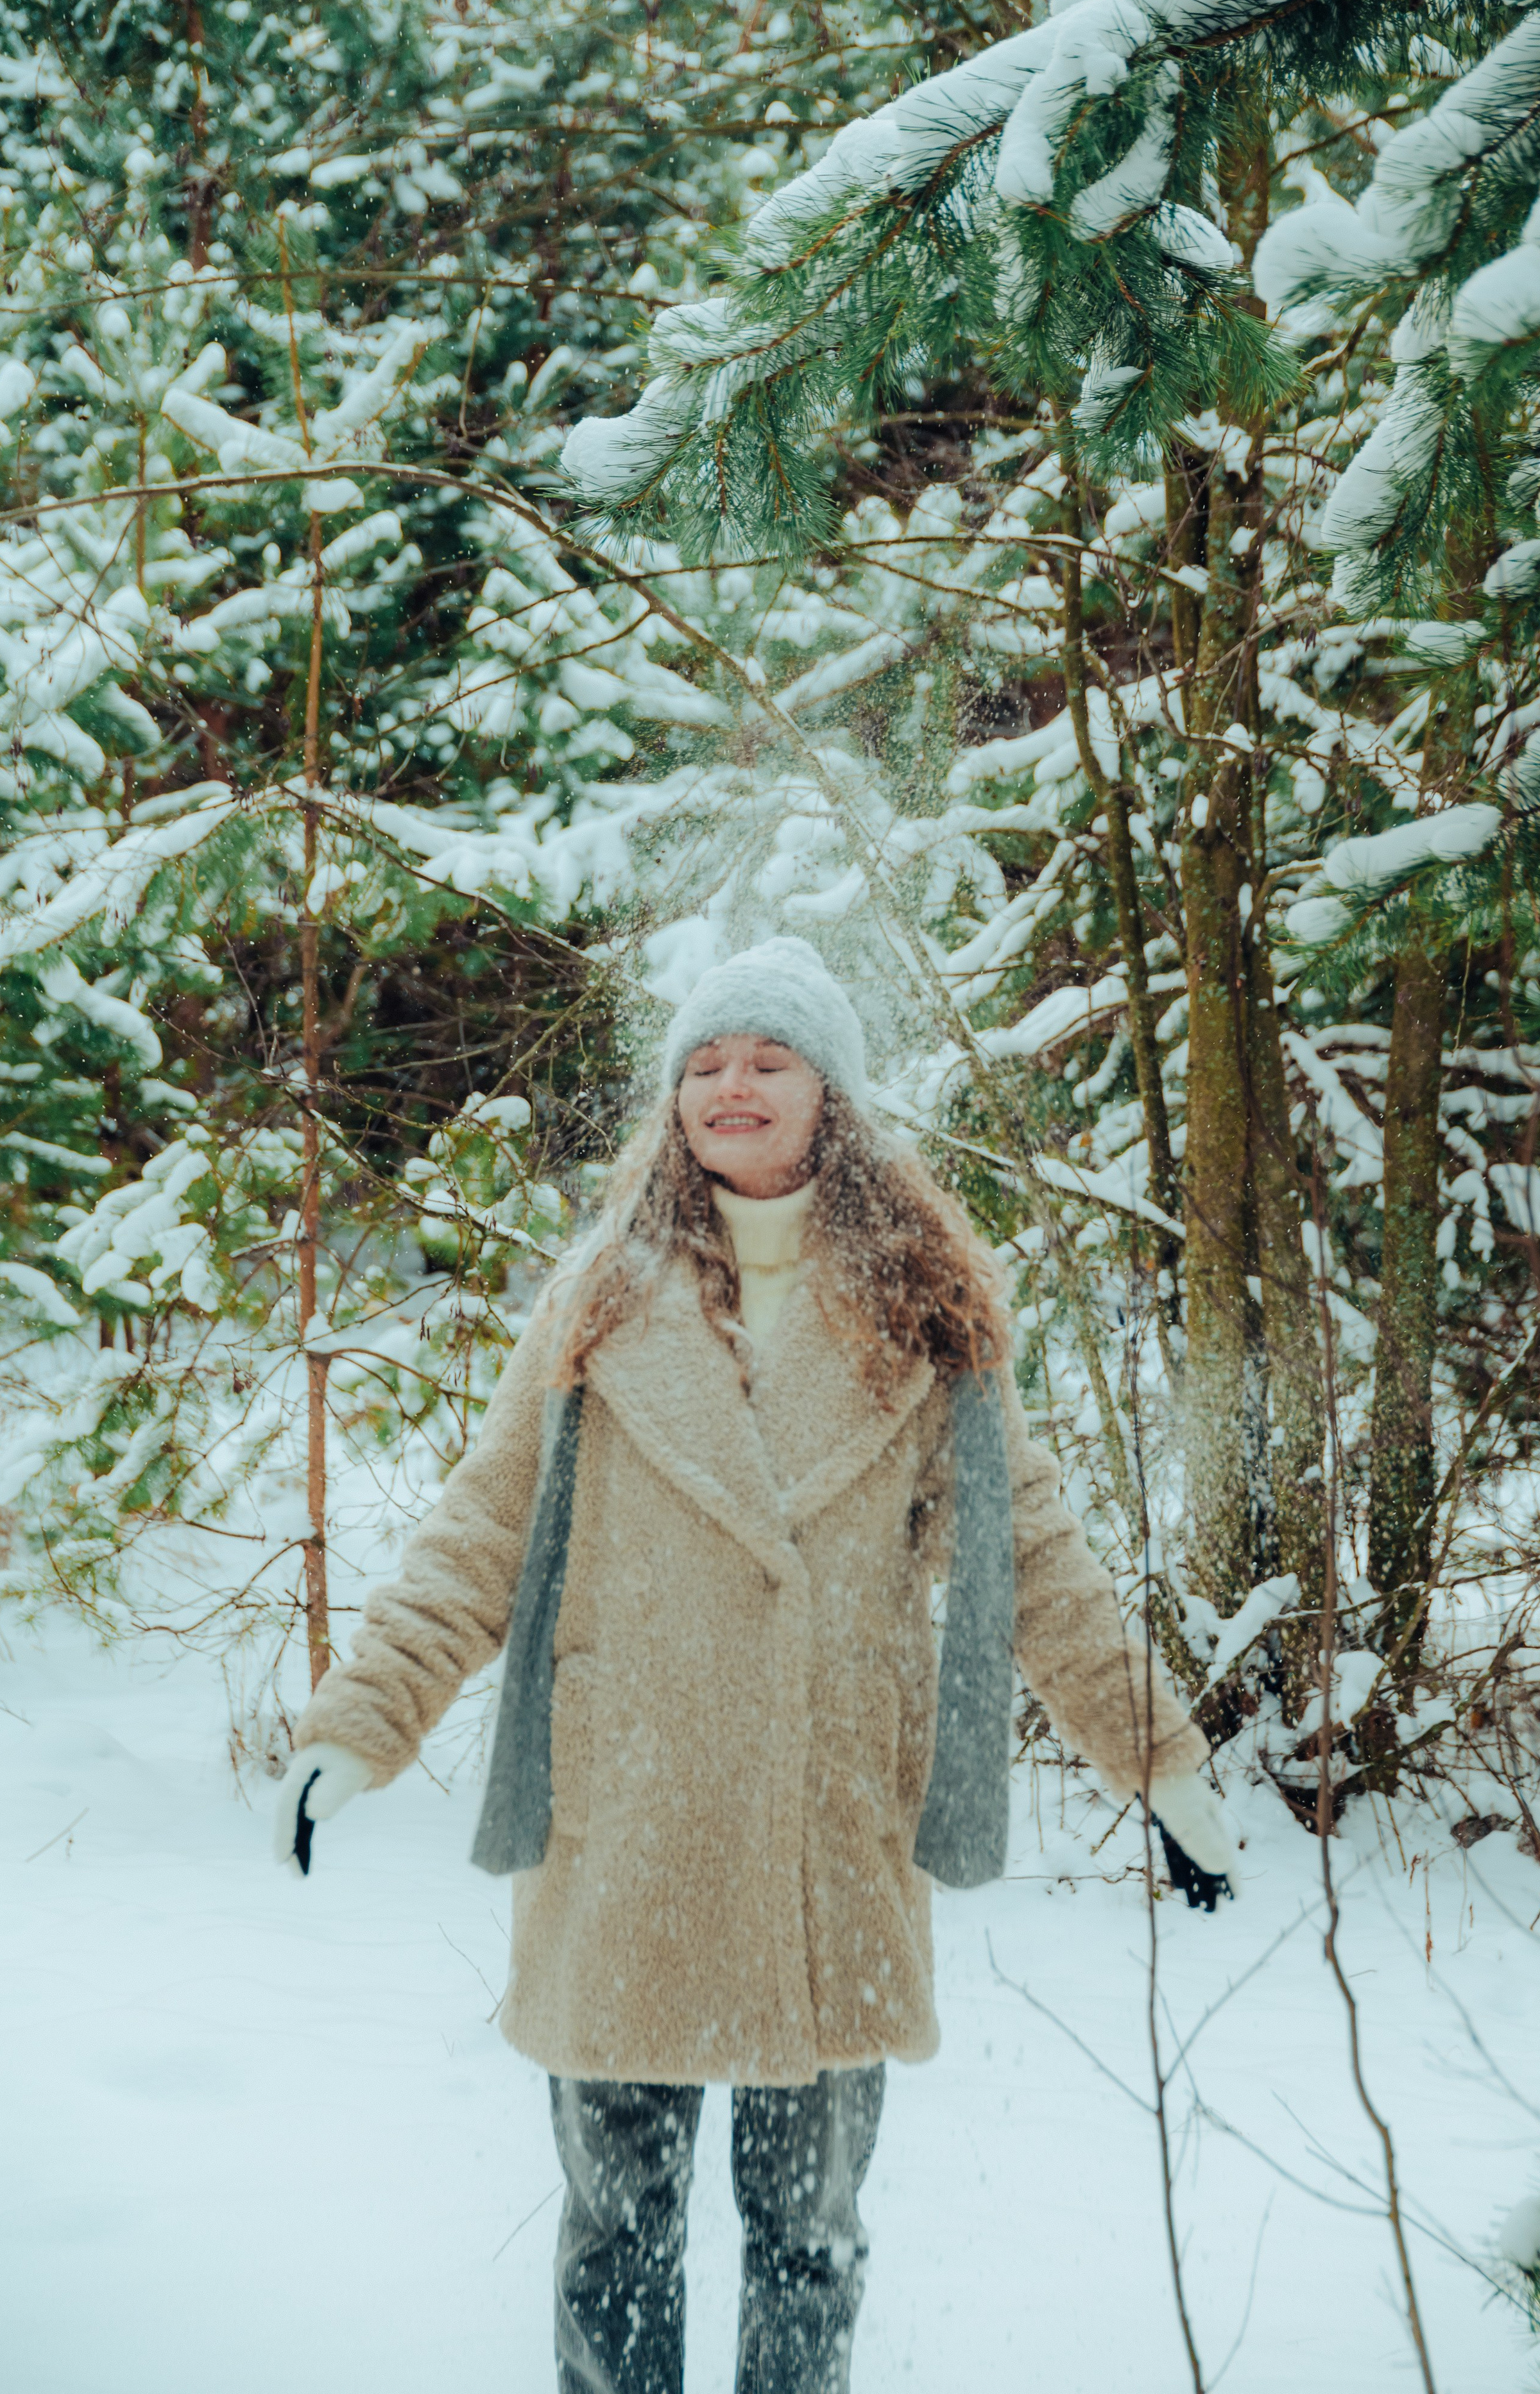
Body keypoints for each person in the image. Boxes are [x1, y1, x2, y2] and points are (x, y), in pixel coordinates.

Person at [271, 937, 1235, 2394]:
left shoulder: (927, 1308)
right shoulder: (596, 1301)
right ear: (672, 1101)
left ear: (828, 1099)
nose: (731, 1087)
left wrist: (1158, 1760)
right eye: (705, 1065)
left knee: (807, 2231)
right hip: (628, 1828)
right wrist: (362, 1725)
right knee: (614, 2229)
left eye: (768, 1061)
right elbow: (479, 1532)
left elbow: (1030, 1560)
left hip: (823, 1838)